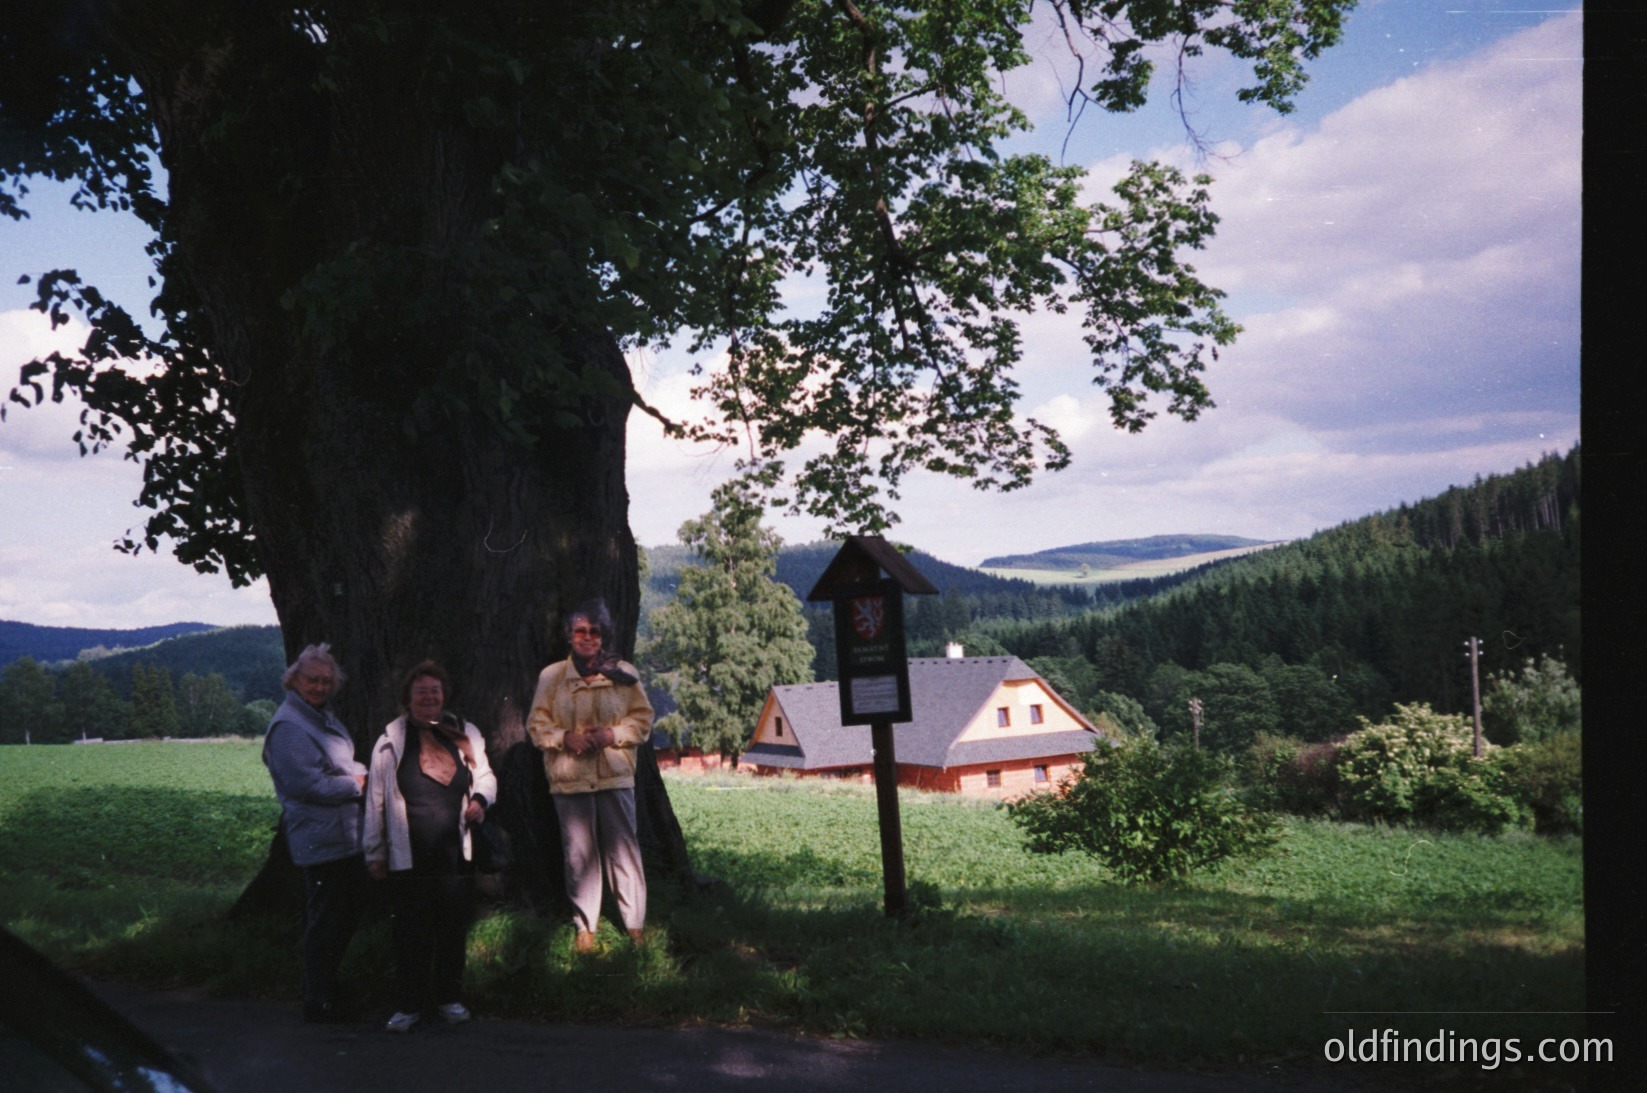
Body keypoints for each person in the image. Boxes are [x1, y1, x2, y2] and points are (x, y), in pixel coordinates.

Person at [363, 660, 497, 1034]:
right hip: (408, 854)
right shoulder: (391, 738)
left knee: (452, 928)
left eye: (434, 691)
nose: (428, 697)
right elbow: (375, 798)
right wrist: (374, 851)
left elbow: (485, 774)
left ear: (444, 696)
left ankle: (448, 999)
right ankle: (409, 1005)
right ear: (408, 696)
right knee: (410, 931)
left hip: (454, 852)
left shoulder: (463, 732)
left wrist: (481, 800)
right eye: (421, 690)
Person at [527, 598, 654, 952]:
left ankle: (635, 926)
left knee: (624, 852)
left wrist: (611, 735)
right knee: (579, 855)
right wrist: (565, 737)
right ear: (569, 636)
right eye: (580, 631)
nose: (587, 638)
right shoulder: (551, 677)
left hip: (615, 775)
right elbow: (537, 726)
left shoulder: (624, 674)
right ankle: (586, 927)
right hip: (570, 778)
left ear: (603, 636)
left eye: (594, 632)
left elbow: (643, 720)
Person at [262, 643, 368, 1023]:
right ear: (294, 680)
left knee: (341, 914)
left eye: (326, 681)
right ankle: (317, 997)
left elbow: (338, 761)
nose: (320, 687)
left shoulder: (319, 716)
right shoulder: (290, 727)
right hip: (320, 838)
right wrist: (356, 784)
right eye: (312, 680)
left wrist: (355, 773)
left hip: (342, 835)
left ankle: (325, 985)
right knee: (326, 918)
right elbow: (305, 786)